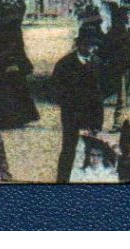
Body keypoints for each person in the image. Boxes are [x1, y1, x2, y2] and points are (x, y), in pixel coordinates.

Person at [51, 33, 105, 183]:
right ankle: (62, 182)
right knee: (69, 149)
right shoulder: (65, 64)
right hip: (71, 115)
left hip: (92, 115)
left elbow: (102, 92)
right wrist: (68, 103)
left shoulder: (97, 63)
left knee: (91, 148)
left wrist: (98, 119)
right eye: (87, 45)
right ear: (79, 45)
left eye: (93, 45)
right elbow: (55, 89)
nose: (91, 48)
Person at [0, 10, 39, 130]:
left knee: (17, 91)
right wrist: (0, 57)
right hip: (2, 64)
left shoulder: (14, 30)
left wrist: (19, 62)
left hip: (14, 64)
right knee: (2, 91)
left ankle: (18, 118)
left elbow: (19, 48)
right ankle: (4, 119)